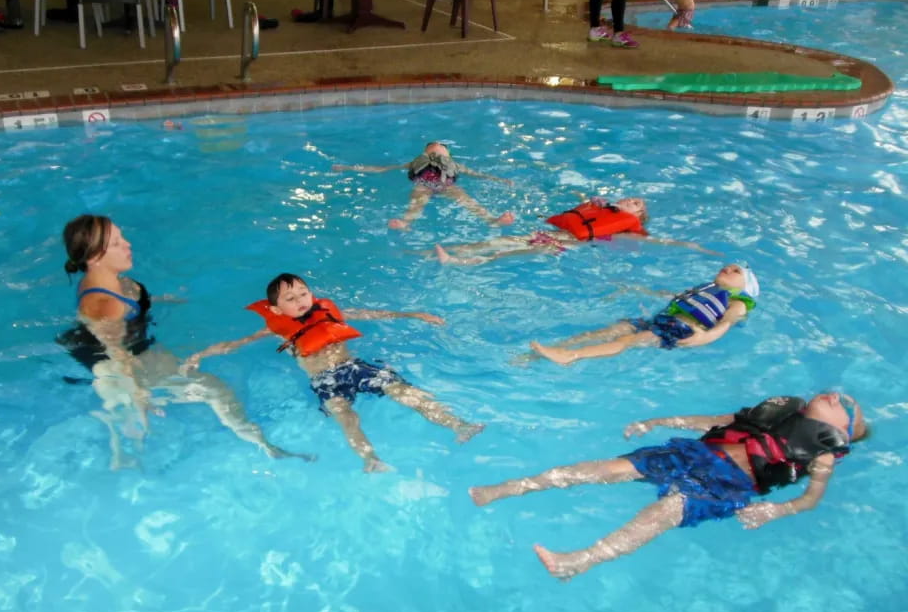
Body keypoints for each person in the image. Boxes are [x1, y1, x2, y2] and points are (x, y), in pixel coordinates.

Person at [469, 391, 868, 579]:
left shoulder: (822, 455)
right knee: (602, 469)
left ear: (841, 432)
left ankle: (579, 561)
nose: (836, 395)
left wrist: (777, 510)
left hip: (727, 486)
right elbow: (713, 420)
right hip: (693, 453)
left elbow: (811, 499)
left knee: (663, 513)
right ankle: (504, 489)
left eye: (843, 407)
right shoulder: (777, 411)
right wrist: (660, 421)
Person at [58, 215, 308, 470]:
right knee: (210, 391)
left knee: (208, 381)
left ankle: (261, 443)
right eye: (116, 243)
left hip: (134, 344)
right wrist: (138, 393)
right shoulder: (103, 305)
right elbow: (116, 354)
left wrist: (163, 301)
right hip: (112, 360)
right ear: (94, 258)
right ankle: (265, 447)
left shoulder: (113, 281)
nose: (127, 244)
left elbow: (130, 309)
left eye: (122, 237)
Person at [181, 273, 484, 472]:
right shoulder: (278, 330)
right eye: (290, 299)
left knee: (401, 390)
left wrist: (412, 314)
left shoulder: (328, 313)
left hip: (354, 367)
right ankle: (371, 460)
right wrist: (199, 355)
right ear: (276, 310)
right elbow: (234, 344)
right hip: (324, 380)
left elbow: (371, 313)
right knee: (346, 417)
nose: (300, 301)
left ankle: (458, 425)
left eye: (303, 293)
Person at [529, 263, 758, 364]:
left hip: (680, 331)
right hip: (660, 321)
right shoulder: (708, 289)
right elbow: (677, 298)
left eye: (736, 271)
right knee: (611, 330)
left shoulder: (738, 302)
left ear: (745, 286)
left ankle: (571, 356)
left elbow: (727, 322)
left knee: (626, 341)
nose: (728, 269)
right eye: (728, 266)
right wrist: (636, 290)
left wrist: (705, 338)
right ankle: (555, 349)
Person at [434, 196, 719, 265]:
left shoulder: (627, 228)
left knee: (511, 251)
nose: (632, 201)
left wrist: (694, 247)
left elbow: (660, 242)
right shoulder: (600, 209)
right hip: (557, 235)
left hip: (565, 244)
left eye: (637, 205)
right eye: (632, 198)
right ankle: (446, 252)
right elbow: (574, 216)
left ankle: (461, 262)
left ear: (638, 217)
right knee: (507, 240)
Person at [332, 141, 514, 230]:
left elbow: (478, 175)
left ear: (448, 157)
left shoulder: (455, 165)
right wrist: (349, 168)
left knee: (467, 200)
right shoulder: (414, 164)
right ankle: (406, 223)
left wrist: (499, 180)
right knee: (417, 203)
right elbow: (383, 169)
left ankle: (492, 220)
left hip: (447, 186)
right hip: (423, 186)